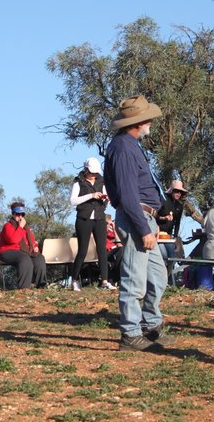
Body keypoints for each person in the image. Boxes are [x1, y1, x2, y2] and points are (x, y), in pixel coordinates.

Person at [104, 94, 174, 351]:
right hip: (137, 220)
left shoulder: (130, 145)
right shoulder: (123, 148)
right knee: (134, 279)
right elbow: (127, 194)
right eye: (148, 119)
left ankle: (150, 325)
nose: (151, 124)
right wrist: (144, 228)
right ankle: (130, 334)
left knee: (157, 276)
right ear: (139, 121)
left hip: (145, 218)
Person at [69, 157, 115, 291]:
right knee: (82, 250)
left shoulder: (102, 181)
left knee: (102, 250)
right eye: (92, 172)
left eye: (96, 172)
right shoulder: (79, 182)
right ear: (86, 170)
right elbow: (72, 201)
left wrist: (105, 198)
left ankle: (105, 281)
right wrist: (91, 196)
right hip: (84, 219)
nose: (94, 175)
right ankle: (75, 280)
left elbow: (107, 196)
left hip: (100, 218)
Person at [0, 202, 47, 289]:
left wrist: (35, 247)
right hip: (7, 251)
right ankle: (24, 288)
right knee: (24, 258)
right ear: (12, 214)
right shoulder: (7, 226)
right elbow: (13, 240)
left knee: (39, 258)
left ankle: (41, 286)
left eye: (22, 214)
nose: (20, 216)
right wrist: (20, 227)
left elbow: (32, 240)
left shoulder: (26, 228)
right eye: (17, 214)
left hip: (22, 251)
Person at [156, 180, 201, 260]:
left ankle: (169, 271)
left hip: (168, 236)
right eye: (176, 191)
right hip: (157, 235)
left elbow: (177, 222)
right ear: (171, 191)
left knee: (172, 256)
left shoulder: (179, 206)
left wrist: (175, 236)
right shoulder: (163, 200)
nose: (178, 194)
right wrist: (163, 218)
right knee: (163, 255)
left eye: (180, 192)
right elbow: (154, 215)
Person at [106, 214, 123, 283]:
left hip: (115, 251)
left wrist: (114, 229)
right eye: (107, 223)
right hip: (106, 251)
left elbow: (119, 244)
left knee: (122, 250)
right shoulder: (100, 231)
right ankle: (117, 277)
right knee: (121, 250)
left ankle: (119, 277)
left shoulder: (112, 231)